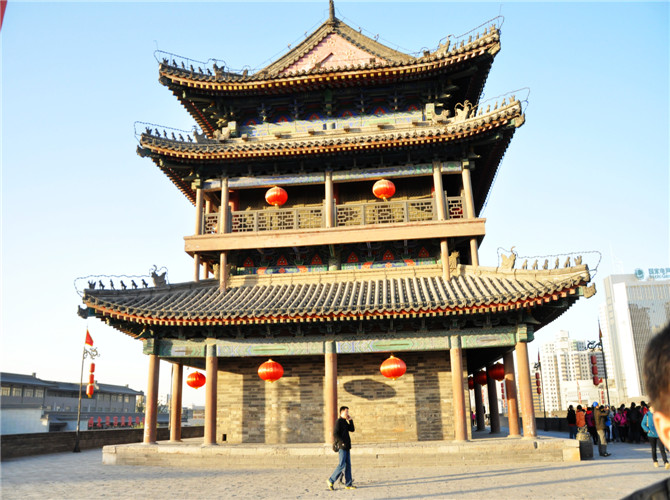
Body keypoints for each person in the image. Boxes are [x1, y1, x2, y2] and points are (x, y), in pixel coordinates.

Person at [623, 325, 670, 499]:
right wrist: (647, 429)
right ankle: (657, 460)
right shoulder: (648, 415)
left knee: (660, 449)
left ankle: (663, 461)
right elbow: (644, 423)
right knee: (654, 449)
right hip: (652, 433)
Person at [328, 406, 356, 491]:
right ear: (341, 412)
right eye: (346, 412)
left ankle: (348, 484)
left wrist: (350, 420)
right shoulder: (339, 421)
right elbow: (335, 433)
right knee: (341, 465)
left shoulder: (345, 422)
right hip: (342, 446)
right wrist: (342, 442)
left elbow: (352, 429)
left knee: (348, 466)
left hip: (347, 446)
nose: (347, 413)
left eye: (348, 412)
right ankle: (331, 480)